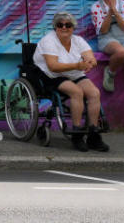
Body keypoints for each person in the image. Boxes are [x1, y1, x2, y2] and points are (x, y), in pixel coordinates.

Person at [32, 12, 109, 153]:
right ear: (55, 27)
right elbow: (53, 66)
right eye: (59, 25)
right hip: (52, 75)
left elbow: (90, 58)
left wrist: (90, 62)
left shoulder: (78, 40)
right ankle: (77, 133)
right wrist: (77, 65)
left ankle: (93, 134)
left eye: (68, 25)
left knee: (94, 93)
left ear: (73, 27)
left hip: (74, 73)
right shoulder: (48, 41)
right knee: (76, 92)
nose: (64, 27)